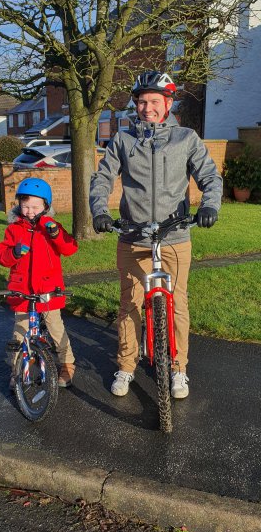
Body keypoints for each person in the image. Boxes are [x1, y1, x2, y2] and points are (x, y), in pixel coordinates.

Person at [90, 70, 222, 400]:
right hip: (133, 236)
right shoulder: (122, 140)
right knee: (130, 304)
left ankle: (178, 370)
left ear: (167, 104)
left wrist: (209, 205)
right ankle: (127, 366)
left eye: (154, 101)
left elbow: (209, 177)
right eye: (141, 102)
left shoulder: (186, 139)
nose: (147, 107)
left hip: (174, 234)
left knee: (177, 304)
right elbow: (102, 179)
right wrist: (99, 211)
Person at [0, 177, 78, 390]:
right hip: (22, 291)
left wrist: (56, 234)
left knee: (55, 327)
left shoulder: (51, 227)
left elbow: (70, 248)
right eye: (25, 206)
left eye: (35, 206)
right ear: (19, 206)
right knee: (19, 332)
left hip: (48, 290)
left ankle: (67, 364)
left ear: (46, 206)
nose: (30, 211)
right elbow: (2, 256)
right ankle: (16, 369)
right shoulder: (14, 230)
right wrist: (13, 252)